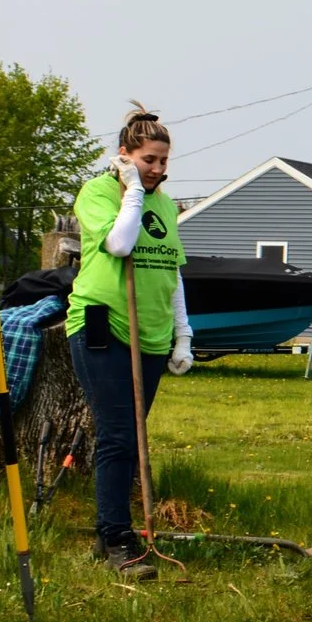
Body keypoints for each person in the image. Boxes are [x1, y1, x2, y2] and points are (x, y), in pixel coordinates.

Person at [67, 107, 192, 578]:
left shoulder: (166, 203)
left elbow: (172, 269)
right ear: (124, 155)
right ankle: (115, 538)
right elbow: (119, 245)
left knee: (134, 433)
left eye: (163, 162)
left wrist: (184, 334)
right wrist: (132, 193)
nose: (158, 170)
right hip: (103, 324)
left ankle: (121, 528)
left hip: (155, 332)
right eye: (148, 160)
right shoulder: (99, 192)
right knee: (118, 434)